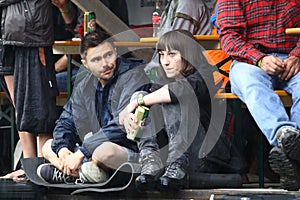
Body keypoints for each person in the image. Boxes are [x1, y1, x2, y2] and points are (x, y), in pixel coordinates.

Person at [120, 30, 232, 191]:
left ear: (188, 55)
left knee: (173, 96)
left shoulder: (204, 74)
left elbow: (180, 90)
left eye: (172, 54)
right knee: (142, 94)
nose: (165, 62)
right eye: (162, 54)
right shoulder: (163, 79)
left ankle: (177, 163)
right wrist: (131, 110)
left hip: (206, 157)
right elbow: (143, 100)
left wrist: (138, 102)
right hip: (170, 157)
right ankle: (150, 162)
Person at [36, 30, 150, 184]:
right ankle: (81, 172)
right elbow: (67, 122)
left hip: (130, 151)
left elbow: (121, 125)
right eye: (96, 59)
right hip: (94, 150)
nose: (105, 64)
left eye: (108, 55)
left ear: (115, 52)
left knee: (103, 152)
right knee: (48, 146)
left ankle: (72, 173)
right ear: (85, 64)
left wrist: (82, 152)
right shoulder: (84, 85)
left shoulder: (132, 76)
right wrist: (63, 150)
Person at [218, 0, 300, 190]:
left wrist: (297, 55)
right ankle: (284, 135)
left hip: (294, 59)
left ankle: (292, 157)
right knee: (251, 83)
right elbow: (230, 37)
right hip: (250, 61)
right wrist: (260, 59)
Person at [0, 0, 59, 180]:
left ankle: (42, 168)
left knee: (40, 108)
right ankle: (29, 166)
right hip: (7, 35)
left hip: (32, 36)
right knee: (21, 107)